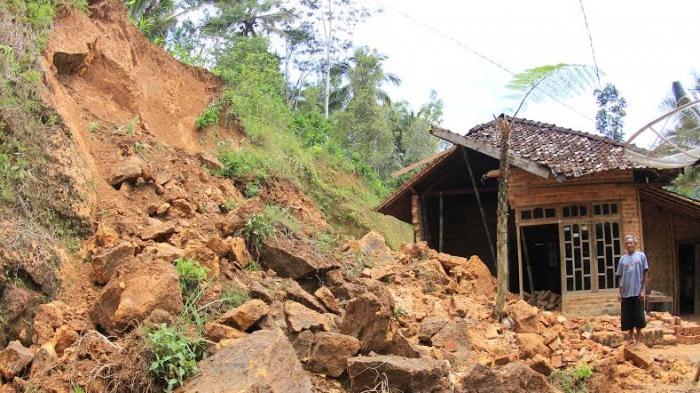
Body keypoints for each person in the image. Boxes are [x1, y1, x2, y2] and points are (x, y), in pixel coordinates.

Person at [616, 234, 649, 344]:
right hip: (625, 292)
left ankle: (638, 338)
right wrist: (619, 292)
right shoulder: (622, 259)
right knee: (628, 315)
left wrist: (643, 290)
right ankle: (630, 336)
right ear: (625, 246)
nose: (629, 244)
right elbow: (620, 276)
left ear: (635, 244)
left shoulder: (641, 256)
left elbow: (645, 274)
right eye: (627, 243)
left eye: (631, 242)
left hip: (637, 291)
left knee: (639, 315)